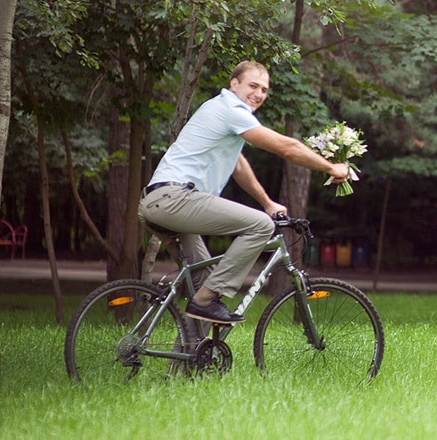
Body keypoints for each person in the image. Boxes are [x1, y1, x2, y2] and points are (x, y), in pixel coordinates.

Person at [138, 61, 350, 324]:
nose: (259, 94)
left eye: (264, 89)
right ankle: (205, 301)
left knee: (205, 283)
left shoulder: (220, 110)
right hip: (175, 199)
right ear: (234, 84)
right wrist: (331, 167)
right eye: (253, 85)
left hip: (159, 202)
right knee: (260, 226)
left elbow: (238, 165)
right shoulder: (231, 110)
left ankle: (190, 358)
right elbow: (286, 147)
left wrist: (268, 202)